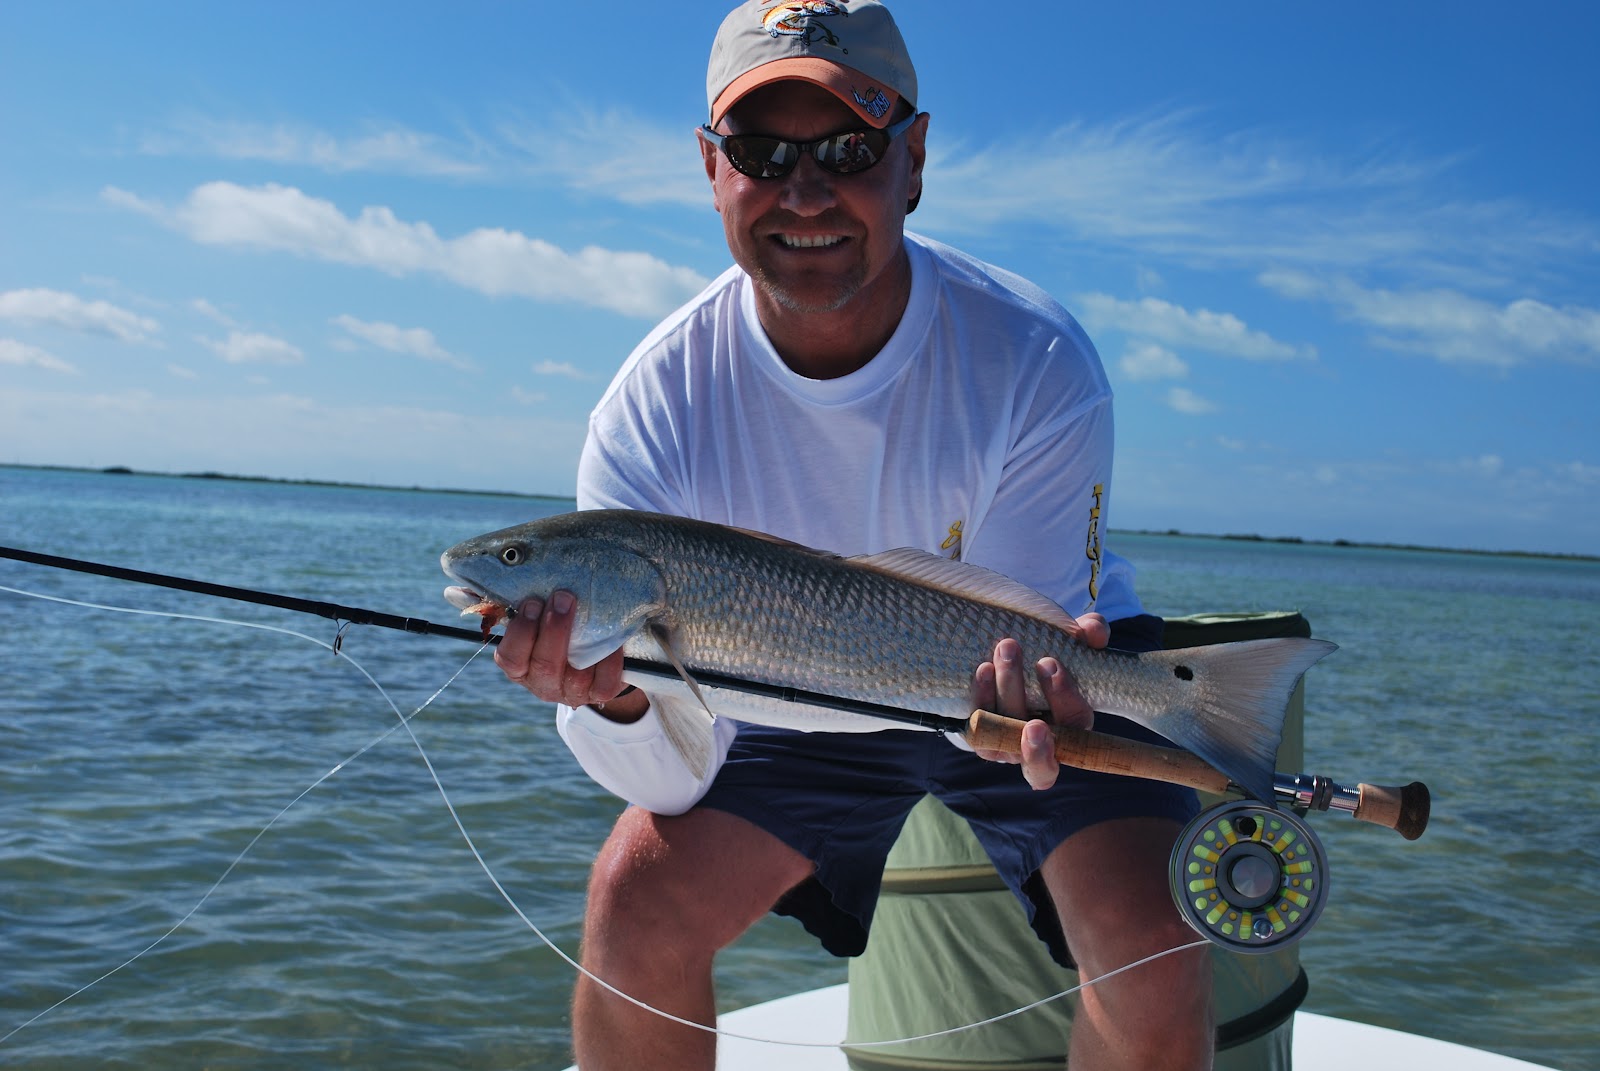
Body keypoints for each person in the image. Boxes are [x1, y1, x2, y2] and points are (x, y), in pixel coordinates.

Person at [493, 2, 1212, 1068]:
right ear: (710, 167)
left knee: (1153, 946)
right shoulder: (649, 411)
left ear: (913, 158)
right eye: (760, 151)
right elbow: (665, 780)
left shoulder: (1034, 358)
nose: (805, 189)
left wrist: (1065, 692)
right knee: (632, 907)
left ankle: (1215, 713)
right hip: (779, 699)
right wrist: (625, 701)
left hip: (1024, 680)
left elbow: (1022, 637)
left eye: (847, 146)